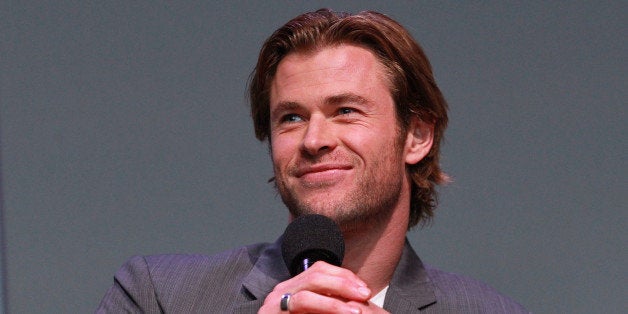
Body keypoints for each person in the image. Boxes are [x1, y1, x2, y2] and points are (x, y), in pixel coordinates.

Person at [97, 9, 529, 313]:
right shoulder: (158, 297)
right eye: (291, 118)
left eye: (345, 111)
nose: (314, 139)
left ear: (417, 136)